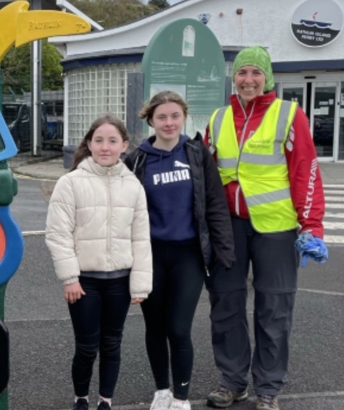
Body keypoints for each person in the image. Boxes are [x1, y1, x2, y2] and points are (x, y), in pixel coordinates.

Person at [203, 46, 327, 410]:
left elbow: (305, 170)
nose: (249, 80)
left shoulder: (289, 114)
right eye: (242, 73)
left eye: (256, 73)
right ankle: (233, 381)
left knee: (274, 308)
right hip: (229, 227)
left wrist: (312, 225)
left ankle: (268, 388)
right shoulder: (218, 119)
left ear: (267, 77)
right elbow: (207, 177)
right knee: (225, 304)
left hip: (276, 228)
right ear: (234, 78)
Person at [124, 91, 235, 410]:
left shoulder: (197, 153)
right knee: (155, 327)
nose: (169, 122)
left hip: (188, 255)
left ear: (183, 117)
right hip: (150, 255)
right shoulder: (137, 159)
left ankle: (181, 397)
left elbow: (214, 203)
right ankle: (161, 390)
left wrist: (224, 250)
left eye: (175, 116)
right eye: (162, 117)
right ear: (150, 120)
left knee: (178, 327)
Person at [45, 114, 152, 410]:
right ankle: (81, 399)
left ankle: (105, 401)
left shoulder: (133, 186)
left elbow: (141, 239)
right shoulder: (71, 183)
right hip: (84, 282)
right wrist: (69, 277)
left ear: (124, 145)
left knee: (112, 345)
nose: (105, 147)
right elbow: (57, 234)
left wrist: (140, 284)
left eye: (112, 141)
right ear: (89, 144)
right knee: (87, 347)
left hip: (119, 280)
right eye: (99, 140)